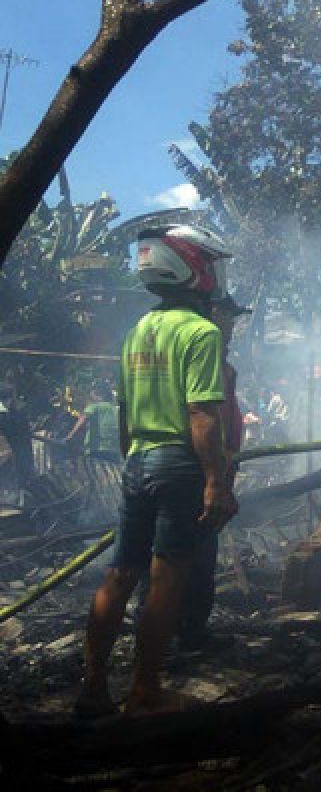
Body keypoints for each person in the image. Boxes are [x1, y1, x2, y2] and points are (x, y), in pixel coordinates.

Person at [75, 225, 238, 717]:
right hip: (178, 465)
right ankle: (145, 691)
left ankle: (93, 687)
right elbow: (202, 415)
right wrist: (214, 481)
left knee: (120, 574)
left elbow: (125, 415)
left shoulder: (137, 332)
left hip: (137, 459)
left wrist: (133, 460)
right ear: (195, 266)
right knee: (167, 580)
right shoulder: (200, 331)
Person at [178, 292, 251, 649]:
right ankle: (186, 635)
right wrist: (215, 479)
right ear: (211, 311)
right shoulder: (202, 357)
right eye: (229, 317)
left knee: (199, 553)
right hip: (199, 473)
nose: (233, 326)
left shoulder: (224, 365)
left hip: (216, 470)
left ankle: (189, 631)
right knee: (192, 555)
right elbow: (204, 419)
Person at [66, 382, 121, 463]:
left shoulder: (94, 406)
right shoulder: (117, 409)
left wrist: (69, 437)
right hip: (114, 452)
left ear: (96, 393)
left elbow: (82, 420)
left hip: (96, 449)